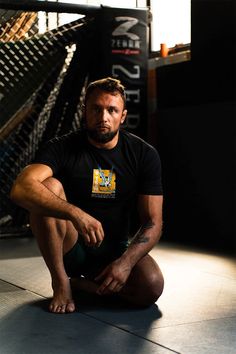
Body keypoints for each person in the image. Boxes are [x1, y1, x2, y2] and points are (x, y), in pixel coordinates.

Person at [10, 77, 164, 314]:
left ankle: (86, 286)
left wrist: (125, 263)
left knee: (150, 288)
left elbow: (153, 222)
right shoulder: (62, 147)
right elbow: (21, 188)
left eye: (112, 110)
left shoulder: (143, 154)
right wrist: (76, 214)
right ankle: (61, 282)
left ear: (122, 116)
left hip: (114, 247)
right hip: (71, 245)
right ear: (85, 111)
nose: (103, 117)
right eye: (96, 109)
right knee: (48, 186)